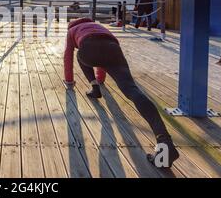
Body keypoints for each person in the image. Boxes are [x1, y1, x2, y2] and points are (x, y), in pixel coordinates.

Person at [63, 18, 179, 168]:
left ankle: (94, 86)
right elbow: (104, 51)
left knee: (81, 56)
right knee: (133, 91)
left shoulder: (72, 31)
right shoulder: (98, 26)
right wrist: (101, 77)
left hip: (88, 50)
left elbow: (68, 55)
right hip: (113, 49)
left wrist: (70, 81)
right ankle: (165, 142)